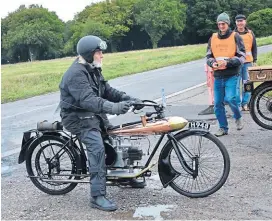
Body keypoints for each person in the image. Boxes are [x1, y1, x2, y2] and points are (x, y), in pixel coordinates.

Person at [58, 35, 145, 212]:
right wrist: (115, 108)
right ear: (90, 54)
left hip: (92, 114)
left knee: (117, 135)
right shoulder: (75, 74)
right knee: (97, 148)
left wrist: (128, 98)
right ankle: (97, 196)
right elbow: (89, 100)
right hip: (76, 117)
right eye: (99, 52)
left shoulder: (93, 69)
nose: (102, 55)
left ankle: (123, 177)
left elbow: (107, 91)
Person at [206, 12, 246, 137]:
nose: (221, 26)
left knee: (231, 98)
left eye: (223, 24)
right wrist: (212, 63)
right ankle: (223, 127)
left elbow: (242, 56)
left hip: (232, 74)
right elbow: (208, 56)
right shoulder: (212, 38)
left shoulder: (236, 37)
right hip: (218, 75)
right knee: (218, 103)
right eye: (219, 24)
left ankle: (238, 116)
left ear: (228, 24)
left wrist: (228, 62)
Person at [235, 14, 258, 111]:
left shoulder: (250, 33)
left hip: (248, 62)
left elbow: (254, 47)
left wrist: (255, 60)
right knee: (236, 85)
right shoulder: (232, 34)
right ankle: (237, 105)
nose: (240, 23)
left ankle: (245, 103)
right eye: (238, 21)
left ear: (245, 22)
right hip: (236, 63)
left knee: (247, 84)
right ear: (236, 22)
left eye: (242, 21)